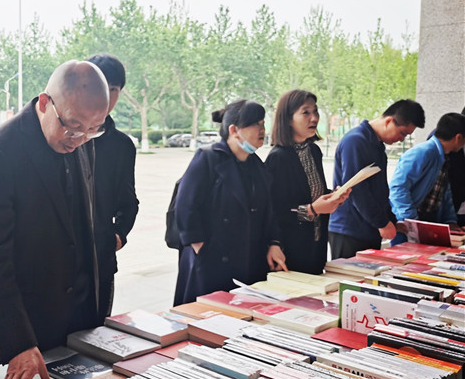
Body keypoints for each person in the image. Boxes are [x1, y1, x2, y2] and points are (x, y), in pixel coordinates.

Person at [0, 60, 109, 379]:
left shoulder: (82, 139)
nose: (80, 139)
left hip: (80, 321)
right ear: (45, 103)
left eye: (93, 129)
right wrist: (19, 342)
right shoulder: (0, 151)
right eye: (73, 126)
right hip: (28, 328)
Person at [173, 99, 286, 304]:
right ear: (234, 130)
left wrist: (274, 243)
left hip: (250, 259)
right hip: (212, 260)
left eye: (263, 124)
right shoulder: (208, 158)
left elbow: (268, 211)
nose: (262, 130)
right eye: (255, 124)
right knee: (208, 314)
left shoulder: (256, 165)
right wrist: (200, 247)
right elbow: (185, 206)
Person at [265, 90, 349, 274]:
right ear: (288, 119)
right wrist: (312, 209)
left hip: (317, 244)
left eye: (315, 111)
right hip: (291, 250)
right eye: (306, 112)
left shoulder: (314, 151)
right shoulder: (278, 157)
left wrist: (333, 196)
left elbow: (312, 193)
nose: (314, 118)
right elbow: (274, 211)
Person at [329, 99, 425, 258]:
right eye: (402, 133)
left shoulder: (378, 146)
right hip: (350, 230)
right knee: (347, 274)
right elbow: (356, 189)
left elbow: (379, 190)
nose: (401, 139)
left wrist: (391, 221)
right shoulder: (356, 141)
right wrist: (382, 223)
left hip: (369, 229)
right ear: (388, 121)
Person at [86, 53, 139, 318]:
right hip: (57, 264)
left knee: (97, 332)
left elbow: (128, 202)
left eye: (114, 89)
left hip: (101, 261)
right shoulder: (61, 137)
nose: (106, 95)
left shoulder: (122, 146)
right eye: (100, 86)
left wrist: (118, 235)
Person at [389, 112, 465, 244]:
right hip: (407, 226)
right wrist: (411, 221)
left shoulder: (444, 157)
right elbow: (397, 188)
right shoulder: (422, 152)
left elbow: (444, 193)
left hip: (428, 223)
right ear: (458, 137)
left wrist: (450, 221)